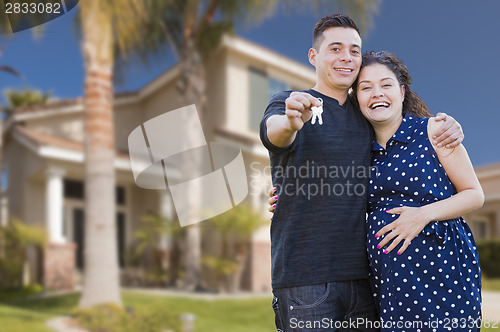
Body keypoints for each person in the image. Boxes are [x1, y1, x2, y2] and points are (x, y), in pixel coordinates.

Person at [260, 13, 464, 332]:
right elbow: (275, 134)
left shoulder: (366, 115)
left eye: (354, 50)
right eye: (336, 48)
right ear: (314, 56)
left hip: (365, 279)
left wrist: (449, 125)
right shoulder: (288, 103)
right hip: (306, 282)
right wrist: (290, 121)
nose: (347, 57)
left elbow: (400, 130)